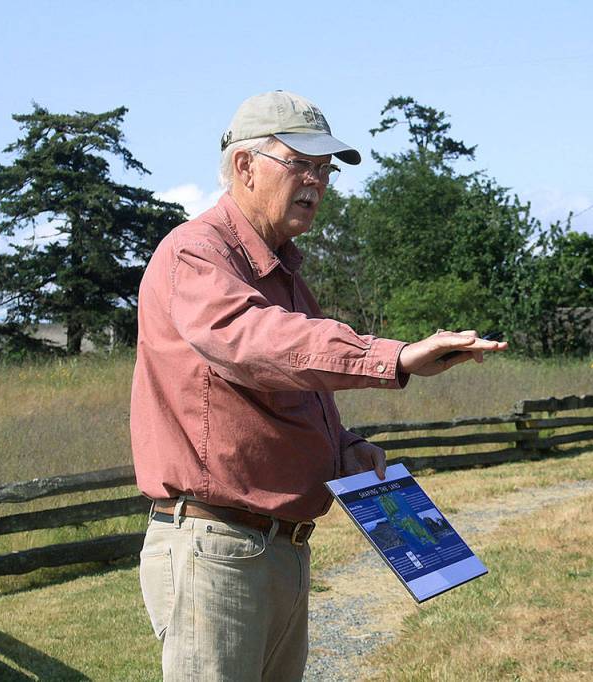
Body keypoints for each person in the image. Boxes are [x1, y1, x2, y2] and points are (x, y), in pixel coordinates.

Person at [130, 90, 507, 682]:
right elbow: (258, 344)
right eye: (300, 163)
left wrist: (341, 449)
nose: (317, 180)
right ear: (245, 166)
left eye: (325, 167)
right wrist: (395, 357)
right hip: (218, 548)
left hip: (272, 548)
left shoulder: (281, 270)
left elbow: (281, 386)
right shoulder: (196, 254)